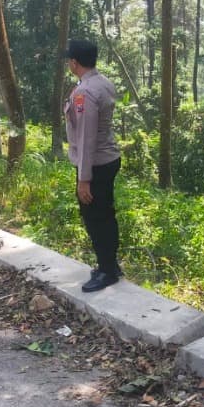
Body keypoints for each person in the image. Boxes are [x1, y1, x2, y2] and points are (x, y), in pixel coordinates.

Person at [64, 39, 122, 293]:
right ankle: (110, 265)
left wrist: (83, 179)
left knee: (95, 217)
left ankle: (107, 270)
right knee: (105, 214)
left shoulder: (84, 93)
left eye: (69, 60)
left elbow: (86, 136)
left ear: (74, 63)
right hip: (107, 158)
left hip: (94, 163)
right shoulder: (103, 83)